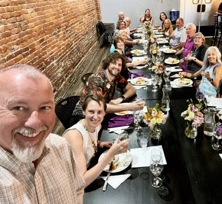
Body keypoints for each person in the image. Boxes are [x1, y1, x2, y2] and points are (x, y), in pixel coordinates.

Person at [0, 64, 84, 203]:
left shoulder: (61, 146)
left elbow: (78, 191)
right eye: (19, 108)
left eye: (45, 107)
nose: (35, 123)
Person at [63, 94, 129, 187]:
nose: (95, 117)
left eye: (99, 112)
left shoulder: (97, 125)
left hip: (90, 169)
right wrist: (110, 154)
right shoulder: (74, 135)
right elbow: (82, 182)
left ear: (104, 113)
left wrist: (101, 144)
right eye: (91, 111)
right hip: (71, 185)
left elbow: (88, 144)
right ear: (83, 111)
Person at [71, 52, 145, 125]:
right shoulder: (96, 80)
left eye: (119, 65)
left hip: (100, 116)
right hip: (82, 120)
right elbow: (98, 107)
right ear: (108, 64)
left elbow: (132, 89)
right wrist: (129, 107)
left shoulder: (116, 76)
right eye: (114, 63)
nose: (117, 67)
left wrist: (120, 99)